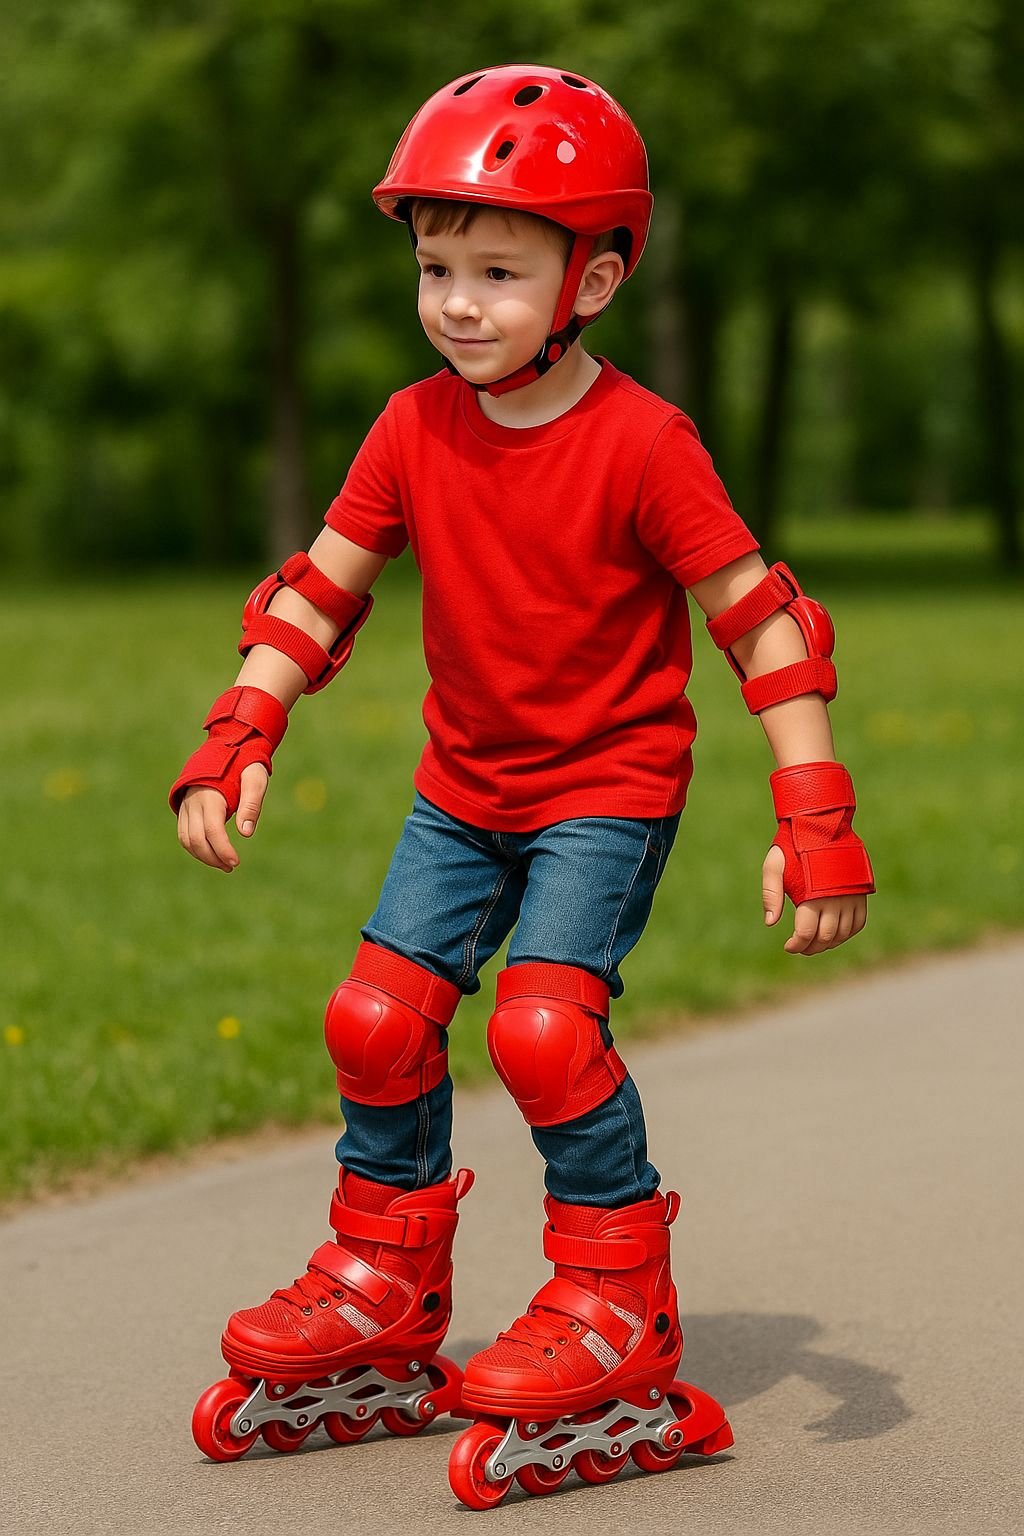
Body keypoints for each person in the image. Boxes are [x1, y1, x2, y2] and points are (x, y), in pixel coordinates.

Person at [175, 65, 873, 1501]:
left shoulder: (643, 444)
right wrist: (239, 735)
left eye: (500, 270)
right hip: (463, 788)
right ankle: (383, 1279)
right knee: (375, 1018)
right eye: (438, 267)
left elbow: (760, 622)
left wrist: (816, 819)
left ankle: (618, 1299)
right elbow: (317, 591)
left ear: (596, 278)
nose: (458, 303)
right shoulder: (410, 427)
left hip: (607, 786)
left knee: (545, 1033)